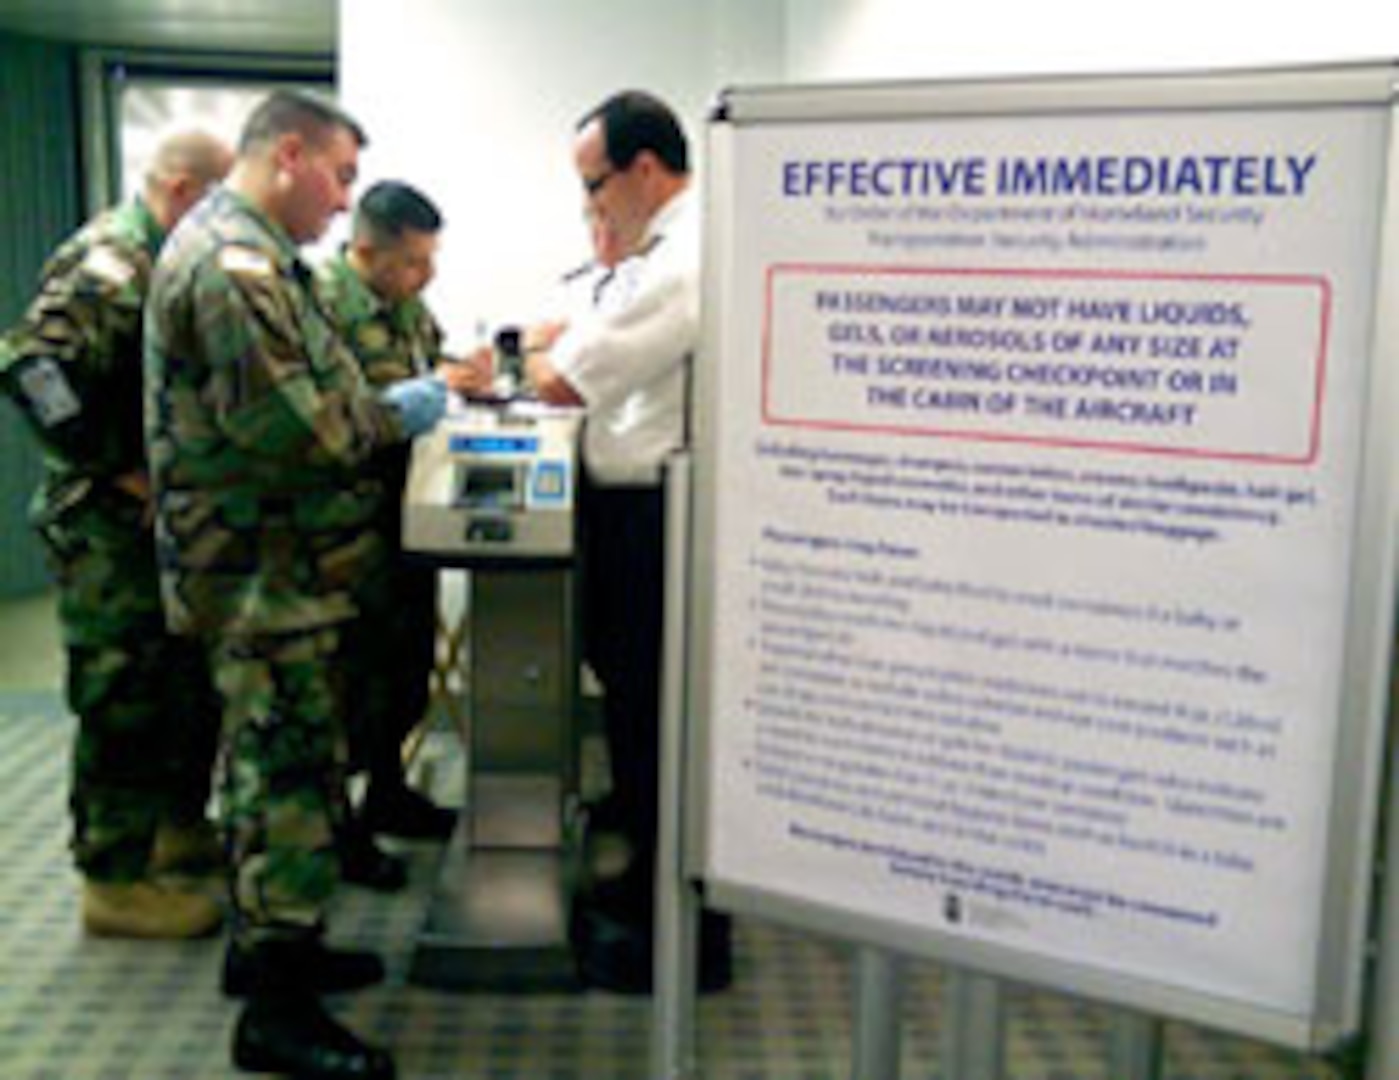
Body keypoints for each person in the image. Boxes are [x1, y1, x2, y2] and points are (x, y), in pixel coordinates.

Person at [144, 90, 448, 1080]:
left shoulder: (265, 257)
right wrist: (390, 415)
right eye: (341, 177)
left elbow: (318, 398)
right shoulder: (233, 267)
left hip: (286, 566)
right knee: (278, 780)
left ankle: (282, 950)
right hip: (257, 569)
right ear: (288, 156)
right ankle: (273, 1013)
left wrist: (367, 404)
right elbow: (298, 428)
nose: (344, 201)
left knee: (300, 769)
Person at [0, 130, 232, 939]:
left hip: (158, 522)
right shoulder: (111, 262)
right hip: (105, 525)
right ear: (178, 188)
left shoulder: (164, 257)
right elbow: (31, 369)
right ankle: (112, 878)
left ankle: (173, 832)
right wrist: (109, 464)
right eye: (216, 201)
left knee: (177, 678)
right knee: (122, 692)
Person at [524, 89, 731, 994]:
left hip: (659, 519)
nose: (591, 205)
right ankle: (650, 892)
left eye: (595, 183)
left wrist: (542, 356)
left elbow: (567, 381)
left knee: (657, 721)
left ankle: (676, 940)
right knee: (638, 714)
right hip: (632, 512)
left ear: (645, 169)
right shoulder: (660, 251)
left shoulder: (685, 256)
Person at [315, 180, 465, 875]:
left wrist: (462, 377)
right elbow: (315, 416)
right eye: (412, 262)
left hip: (405, 514)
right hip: (339, 527)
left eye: (431, 260)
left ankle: (387, 790)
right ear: (366, 251)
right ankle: (334, 829)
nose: (425, 276)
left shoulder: (405, 306)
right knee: (346, 680)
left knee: (404, 667)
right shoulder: (316, 305)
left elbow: (430, 365)